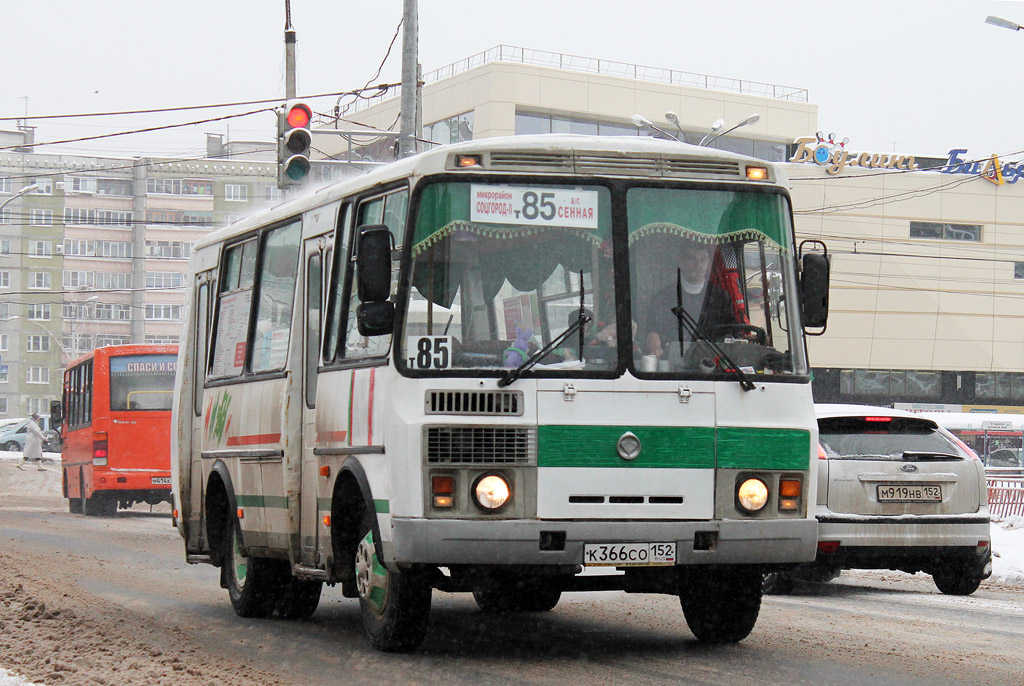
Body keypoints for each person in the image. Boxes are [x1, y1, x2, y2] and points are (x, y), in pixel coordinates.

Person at [641, 238, 737, 359]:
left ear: (708, 263)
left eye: (703, 260)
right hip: (673, 369)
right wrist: (654, 344)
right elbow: (653, 331)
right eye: (692, 259)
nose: (698, 265)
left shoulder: (721, 298)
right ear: (681, 262)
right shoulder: (664, 298)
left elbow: (731, 333)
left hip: (713, 367)